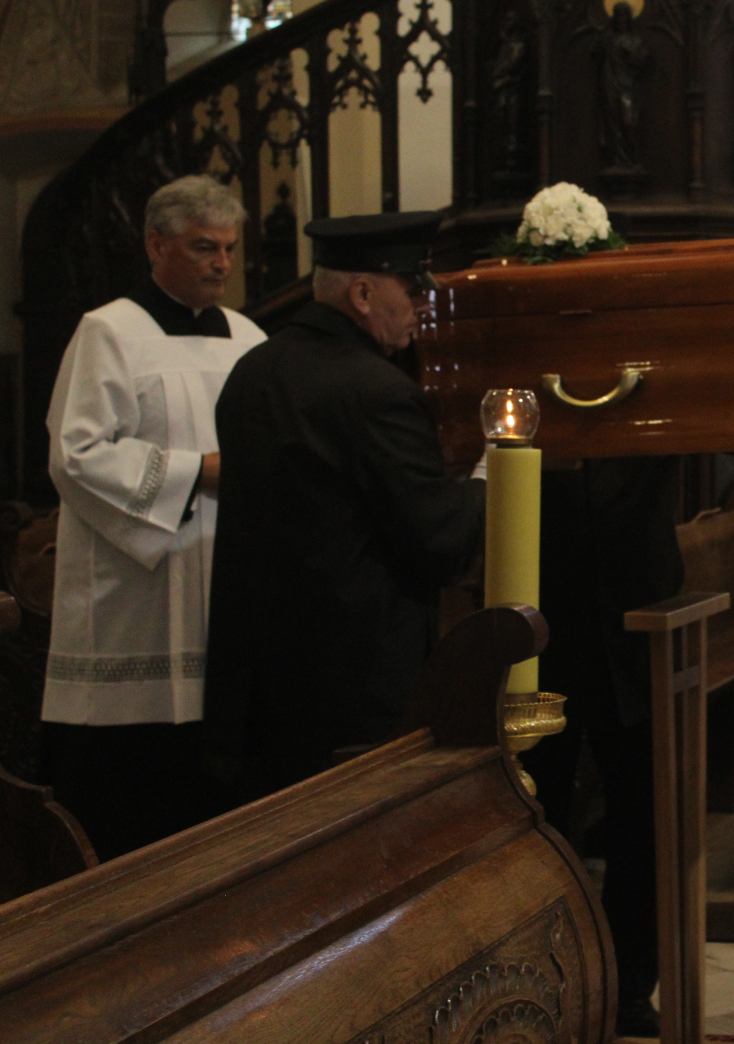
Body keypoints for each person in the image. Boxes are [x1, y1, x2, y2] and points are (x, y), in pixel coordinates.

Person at [204, 211, 485, 798]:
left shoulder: (252, 372)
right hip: (355, 696)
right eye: (410, 289)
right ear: (362, 294)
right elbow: (440, 543)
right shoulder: (378, 391)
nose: (421, 305)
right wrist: (491, 473)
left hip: (259, 694)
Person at [39, 175, 266, 860]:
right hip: (135, 592)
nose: (222, 264)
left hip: (224, 573)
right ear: (156, 244)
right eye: (203, 247)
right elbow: (76, 455)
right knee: (131, 806)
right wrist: (199, 472)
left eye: (229, 248)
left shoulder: (250, 337)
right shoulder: (109, 331)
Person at [527, 455, 684, 1041]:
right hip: (543, 613)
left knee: (643, 815)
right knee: (536, 812)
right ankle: (538, 982)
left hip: (636, 612)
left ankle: (627, 987)